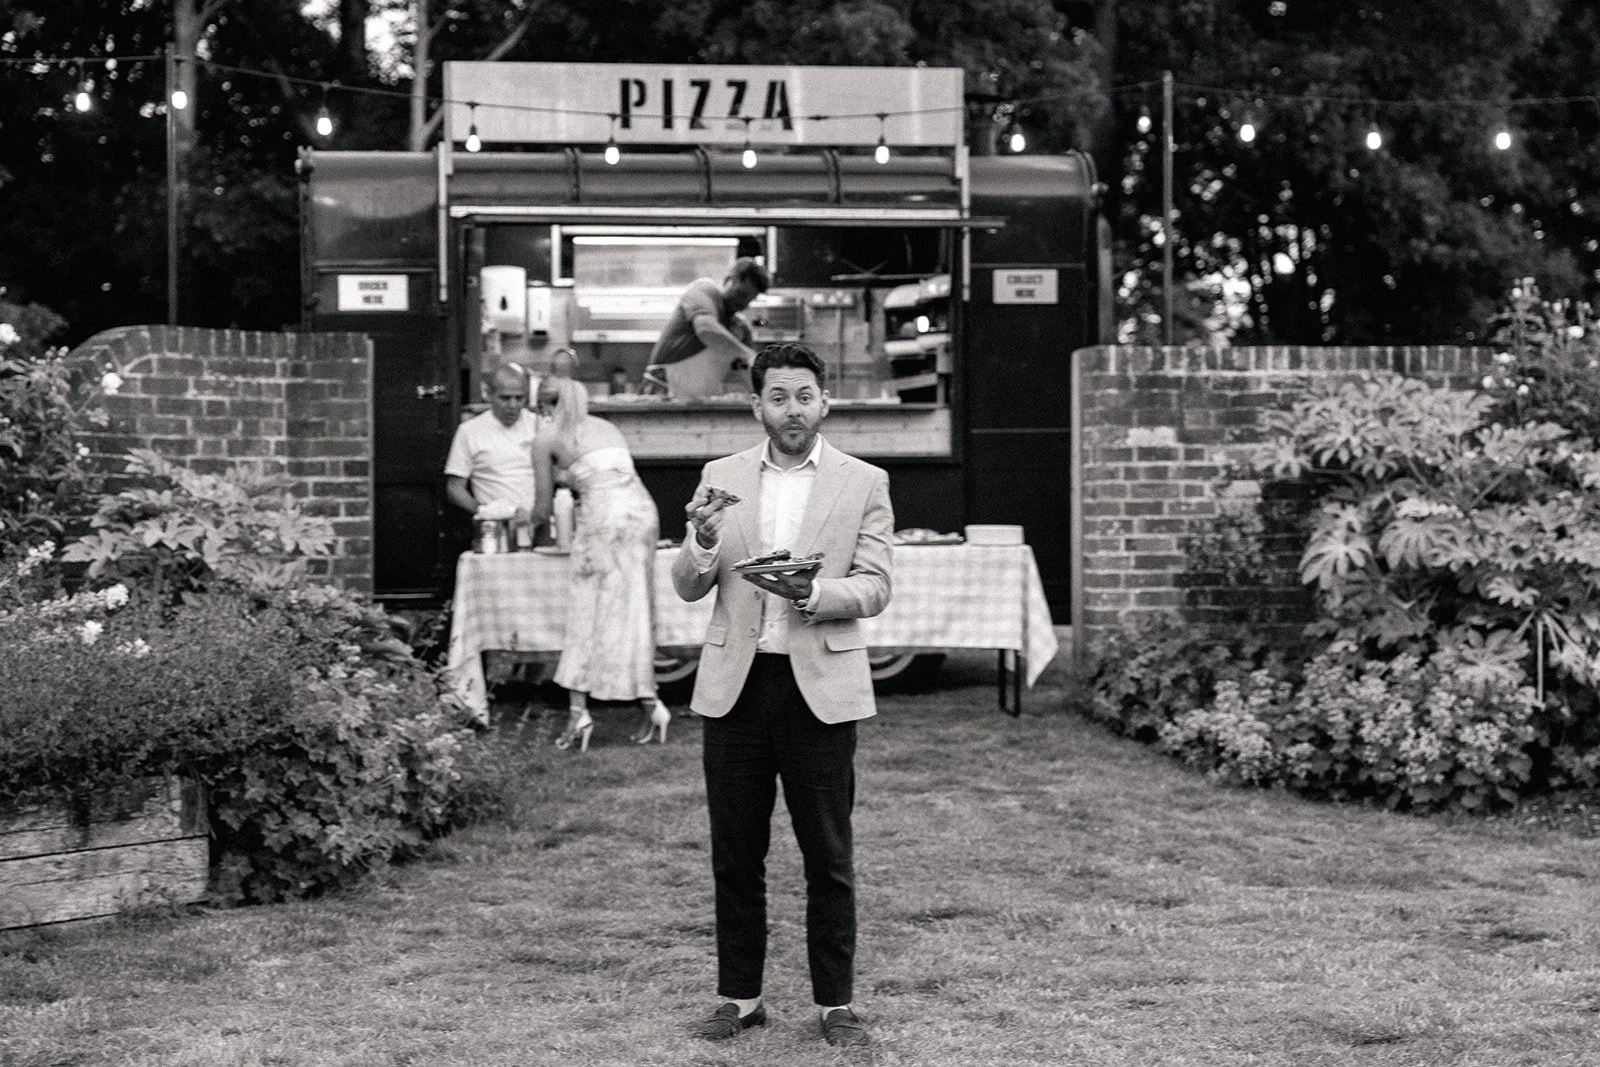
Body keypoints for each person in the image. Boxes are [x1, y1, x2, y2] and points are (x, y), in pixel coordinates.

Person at [671, 341, 893, 1049]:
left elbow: (876, 584)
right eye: (777, 396)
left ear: (824, 401)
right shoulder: (720, 475)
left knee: (828, 854)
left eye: (804, 395)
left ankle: (836, 1004)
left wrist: (817, 593)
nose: (791, 408)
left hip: (819, 690)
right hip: (736, 689)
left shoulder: (864, 481)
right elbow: (688, 583)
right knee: (736, 853)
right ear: (756, 404)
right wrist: (702, 543)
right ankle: (740, 995)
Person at [531, 375, 667, 750]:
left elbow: (542, 508)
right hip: (642, 514)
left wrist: (523, 524)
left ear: (543, 404)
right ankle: (652, 705)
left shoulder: (545, 438)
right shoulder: (607, 427)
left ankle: (579, 713)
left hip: (604, 521)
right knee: (636, 611)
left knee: (586, 611)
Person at [646, 257, 770, 399]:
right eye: (741, 294)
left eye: (749, 299)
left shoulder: (740, 329)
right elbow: (706, 330)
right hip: (661, 397)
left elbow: (747, 372)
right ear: (729, 279)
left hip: (703, 404)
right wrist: (747, 354)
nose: (743, 303)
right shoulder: (704, 292)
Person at [444, 364, 539, 541]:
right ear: (489, 395)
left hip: (537, 523)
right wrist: (485, 512)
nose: (513, 405)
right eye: (505, 398)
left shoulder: (538, 426)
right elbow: (454, 489)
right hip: (494, 528)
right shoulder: (469, 431)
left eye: (519, 398)